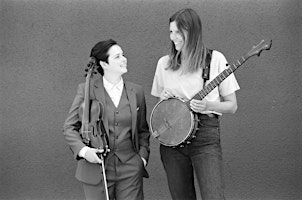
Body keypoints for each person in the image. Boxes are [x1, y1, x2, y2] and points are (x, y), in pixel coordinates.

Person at [151, 8, 240, 200]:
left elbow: (232, 105)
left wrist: (208, 106)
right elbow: (160, 108)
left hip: (205, 139)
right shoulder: (164, 64)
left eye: (178, 32)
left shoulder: (215, 59)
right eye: (170, 32)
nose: (173, 37)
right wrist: (164, 99)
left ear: (191, 32)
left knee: (213, 196)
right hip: (172, 140)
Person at [63, 39, 150, 200]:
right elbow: (69, 127)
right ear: (104, 64)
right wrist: (85, 151)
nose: (124, 59)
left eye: (123, 55)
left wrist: (142, 159)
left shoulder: (136, 91)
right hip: (96, 168)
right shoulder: (86, 90)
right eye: (117, 57)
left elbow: (142, 130)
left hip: (130, 167)